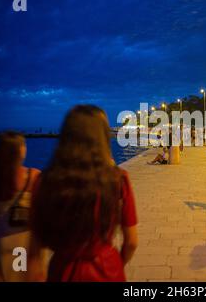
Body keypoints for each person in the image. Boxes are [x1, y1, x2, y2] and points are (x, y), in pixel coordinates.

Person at [30, 105, 138, 282]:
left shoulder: (45, 181)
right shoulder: (119, 179)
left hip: (62, 270)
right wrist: (118, 262)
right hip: (107, 268)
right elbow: (132, 242)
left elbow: (34, 253)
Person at [0, 132, 44, 281]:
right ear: (20, 150)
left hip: (1, 243)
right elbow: (42, 215)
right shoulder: (33, 176)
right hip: (23, 245)